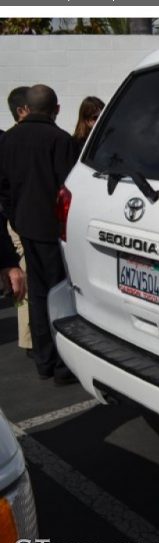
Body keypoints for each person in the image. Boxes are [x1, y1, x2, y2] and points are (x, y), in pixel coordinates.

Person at [0, 84, 77, 384]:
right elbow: (68, 187)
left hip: (25, 226)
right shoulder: (60, 140)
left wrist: (15, 216)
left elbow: (3, 187)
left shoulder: (9, 139)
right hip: (52, 230)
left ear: (27, 109)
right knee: (60, 296)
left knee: (38, 294)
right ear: (56, 109)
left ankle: (44, 359)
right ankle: (61, 364)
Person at [1, 86, 33, 356]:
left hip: (15, 221)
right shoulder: (8, 141)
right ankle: (29, 339)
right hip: (21, 222)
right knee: (22, 277)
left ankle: (29, 338)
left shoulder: (6, 140)